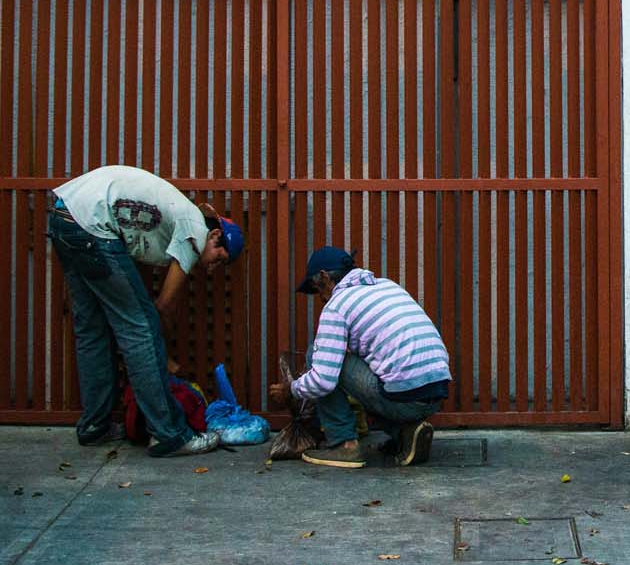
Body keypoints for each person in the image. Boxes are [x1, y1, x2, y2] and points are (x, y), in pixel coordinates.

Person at [48, 165, 244, 456]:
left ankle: (95, 427)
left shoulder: (181, 215)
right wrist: (165, 359)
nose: (213, 268)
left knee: (93, 329)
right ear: (215, 235)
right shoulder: (194, 227)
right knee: (141, 327)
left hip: (64, 215)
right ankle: (170, 434)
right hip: (92, 223)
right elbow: (164, 304)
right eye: (220, 257)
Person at [271, 247, 451, 469]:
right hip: (437, 393)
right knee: (381, 374)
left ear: (326, 278)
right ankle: (406, 432)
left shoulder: (336, 306)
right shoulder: (387, 285)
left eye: (318, 290)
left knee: (316, 355)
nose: (321, 299)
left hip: (404, 400)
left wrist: (291, 389)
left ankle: (344, 445)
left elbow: (323, 381)